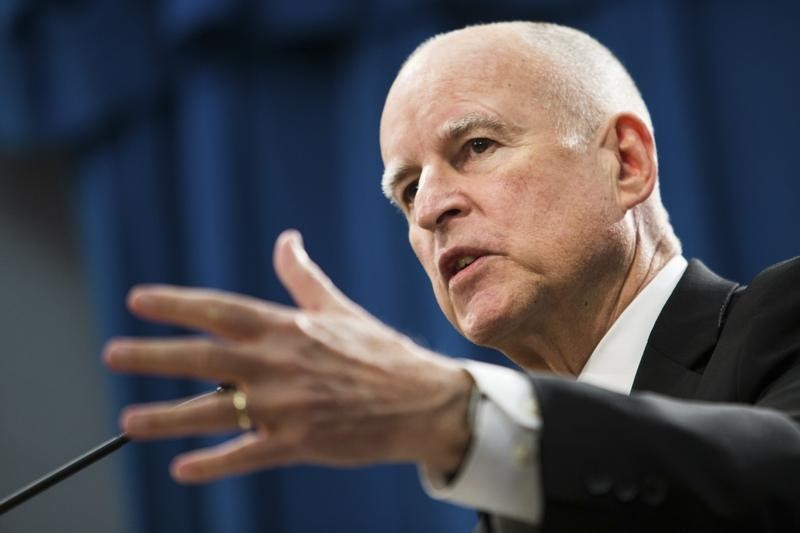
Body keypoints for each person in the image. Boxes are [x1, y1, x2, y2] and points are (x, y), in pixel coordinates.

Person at [103, 21, 800, 532]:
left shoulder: (780, 321)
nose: (432, 208)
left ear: (624, 161)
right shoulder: (510, 499)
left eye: (477, 146)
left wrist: (454, 409)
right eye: (407, 192)